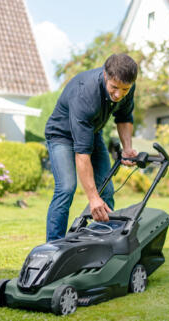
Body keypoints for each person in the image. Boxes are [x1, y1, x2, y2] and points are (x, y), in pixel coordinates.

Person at [44, 54, 138, 242]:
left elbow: (124, 117)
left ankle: (102, 240)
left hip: (92, 133)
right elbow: (82, 154)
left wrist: (127, 148)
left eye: (124, 89)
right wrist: (92, 198)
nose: (119, 95)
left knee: (107, 190)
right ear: (105, 75)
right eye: (114, 88)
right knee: (66, 188)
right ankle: (53, 246)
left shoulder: (127, 86)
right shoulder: (85, 93)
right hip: (61, 135)